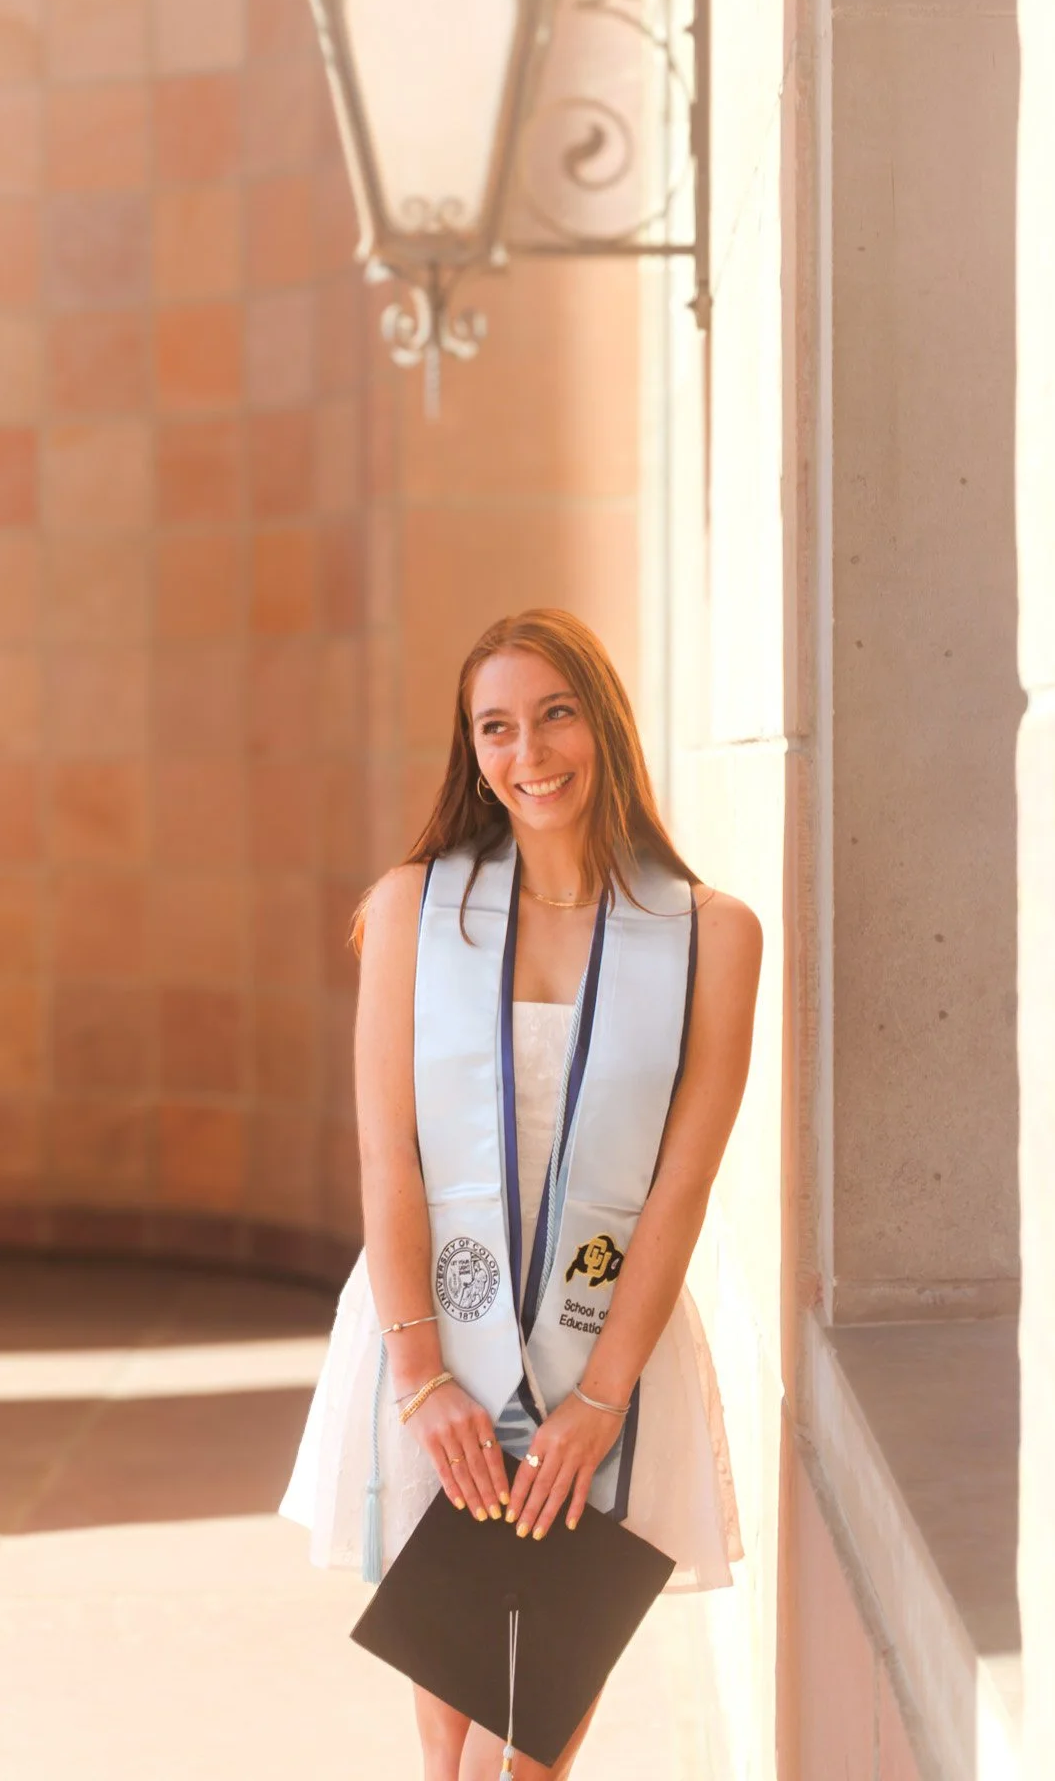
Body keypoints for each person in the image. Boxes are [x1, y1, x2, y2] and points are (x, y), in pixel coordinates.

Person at [281, 608, 762, 1779]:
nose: (529, 751)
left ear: (604, 721)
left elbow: (685, 1182)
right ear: (472, 749)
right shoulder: (415, 908)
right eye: (496, 726)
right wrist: (421, 1374)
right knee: (448, 1731)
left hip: (610, 1341)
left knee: (532, 1736)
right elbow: (387, 1153)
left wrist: (601, 1396)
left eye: (555, 712)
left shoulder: (710, 934)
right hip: (431, 1327)